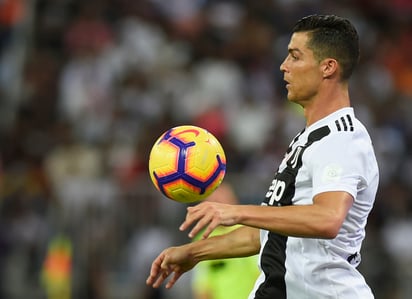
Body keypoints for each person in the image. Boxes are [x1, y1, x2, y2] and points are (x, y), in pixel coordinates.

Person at [146, 14, 379, 299]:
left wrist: (236, 211)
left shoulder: (342, 138)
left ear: (327, 67)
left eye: (295, 56)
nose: (284, 66)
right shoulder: (307, 139)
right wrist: (194, 253)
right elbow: (268, 234)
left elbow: (328, 218)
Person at [191, 183, 259, 299]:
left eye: (219, 202)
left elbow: (260, 274)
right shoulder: (202, 239)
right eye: (212, 202)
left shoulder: (248, 232)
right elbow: (203, 286)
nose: (216, 209)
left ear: (233, 202)